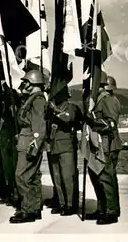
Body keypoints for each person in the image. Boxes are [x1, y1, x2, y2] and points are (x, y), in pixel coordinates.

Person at [9, 69, 47, 224]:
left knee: (22, 176)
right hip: (26, 140)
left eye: (26, 82)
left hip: (29, 142)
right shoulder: (32, 99)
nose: (23, 84)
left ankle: (28, 211)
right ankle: (33, 209)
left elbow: (39, 126)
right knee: (31, 177)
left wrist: (34, 145)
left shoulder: (37, 100)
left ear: (33, 83)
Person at [85, 72, 122, 225]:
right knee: (97, 177)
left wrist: (92, 120)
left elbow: (111, 124)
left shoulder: (109, 100)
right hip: (100, 145)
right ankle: (102, 209)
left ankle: (111, 212)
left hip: (107, 144)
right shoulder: (99, 100)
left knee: (106, 178)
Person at [46, 86, 79, 216]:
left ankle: (70, 204)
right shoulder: (51, 109)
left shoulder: (70, 107)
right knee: (57, 177)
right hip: (54, 145)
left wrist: (54, 111)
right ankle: (61, 203)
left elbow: (68, 119)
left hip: (66, 146)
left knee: (67, 177)